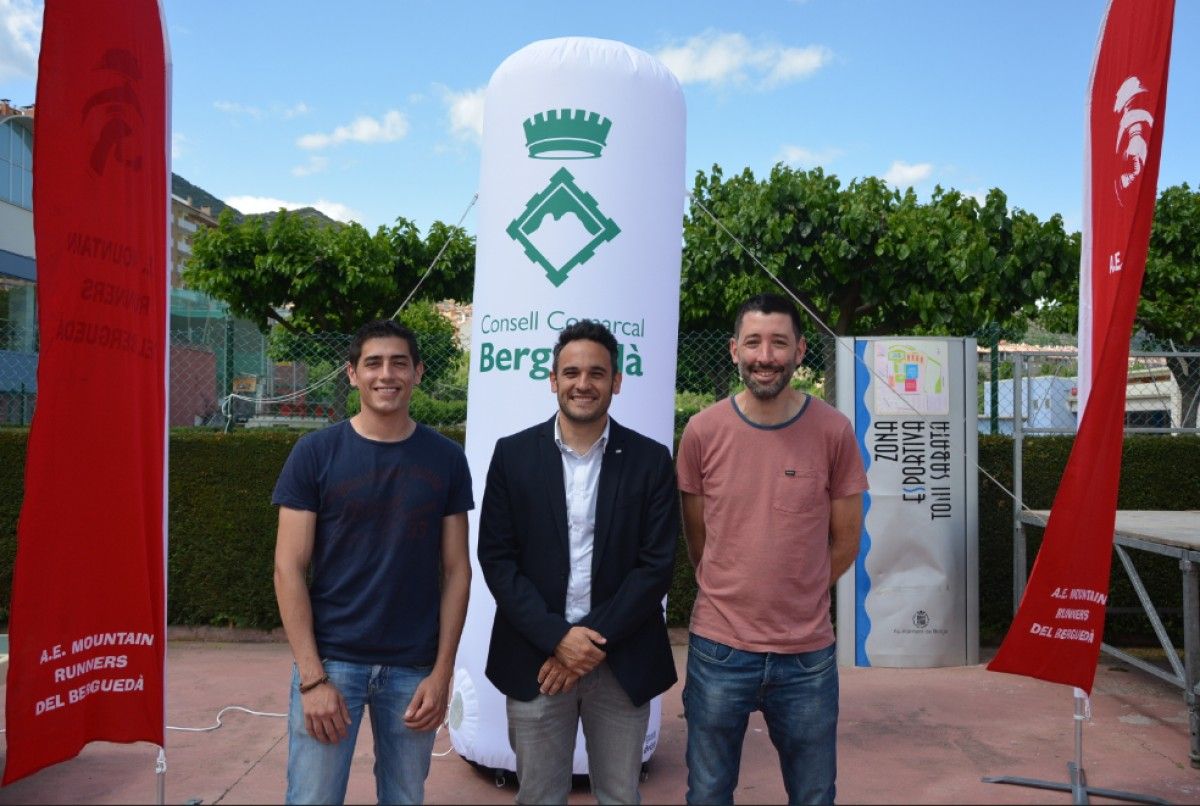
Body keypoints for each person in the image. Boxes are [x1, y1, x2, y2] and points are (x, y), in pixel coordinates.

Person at [272, 319, 473, 805]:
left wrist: (441, 675)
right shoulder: (314, 453)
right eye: (374, 363)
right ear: (352, 374)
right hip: (332, 663)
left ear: (418, 373)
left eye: (399, 363)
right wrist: (313, 677)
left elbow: (457, 571)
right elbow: (288, 569)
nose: (387, 374)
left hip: (413, 670)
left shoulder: (446, 458)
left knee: (405, 799)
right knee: (312, 799)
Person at [676, 294, 868, 805]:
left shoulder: (833, 430)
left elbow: (847, 539)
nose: (766, 355)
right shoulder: (702, 431)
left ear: (800, 350)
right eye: (754, 342)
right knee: (709, 793)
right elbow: (698, 537)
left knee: (813, 795)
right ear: (734, 349)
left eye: (779, 342)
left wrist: (799, 589)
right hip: (718, 650)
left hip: (807, 657)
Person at [478, 320, 679, 805]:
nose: (582, 384)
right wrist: (557, 639)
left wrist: (587, 644)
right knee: (539, 796)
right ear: (553, 379)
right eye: (571, 372)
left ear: (617, 381)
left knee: (619, 796)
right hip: (536, 658)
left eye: (596, 373)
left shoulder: (651, 461)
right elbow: (497, 559)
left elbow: (656, 566)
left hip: (622, 658)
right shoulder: (512, 455)